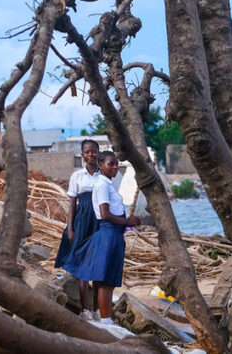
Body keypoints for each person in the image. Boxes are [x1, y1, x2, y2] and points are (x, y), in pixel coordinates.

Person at [64, 151, 140, 325]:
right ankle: (106, 321)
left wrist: (126, 223)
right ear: (101, 165)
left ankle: (106, 318)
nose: (114, 167)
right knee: (105, 281)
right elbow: (105, 214)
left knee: (107, 280)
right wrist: (127, 220)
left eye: (116, 163)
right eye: (110, 164)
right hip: (108, 234)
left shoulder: (107, 184)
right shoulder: (102, 185)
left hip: (113, 234)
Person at [54, 139, 101, 318]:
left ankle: (97, 309)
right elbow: (72, 203)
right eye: (87, 152)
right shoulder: (77, 176)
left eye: (94, 151)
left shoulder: (103, 174)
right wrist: (71, 228)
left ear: (98, 153)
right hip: (82, 222)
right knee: (82, 266)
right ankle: (84, 310)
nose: (91, 154)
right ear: (82, 154)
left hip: (99, 222)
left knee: (97, 265)